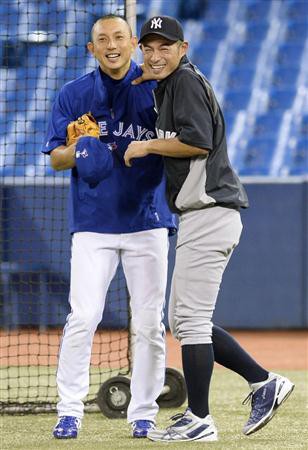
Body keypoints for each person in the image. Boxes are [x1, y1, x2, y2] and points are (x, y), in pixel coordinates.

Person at [124, 15, 295, 442]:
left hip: (210, 211)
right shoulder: (173, 82)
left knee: (192, 322)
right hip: (204, 215)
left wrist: (145, 144)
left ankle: (199, 418)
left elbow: (197, 140)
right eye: (149, 47)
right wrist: (147, 78)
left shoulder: (183, 82)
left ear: (184, 49)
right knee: (181, 323)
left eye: (166, 46)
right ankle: (263, 381)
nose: (156, 54)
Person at [42, 14, 177, 439]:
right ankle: (69, 411)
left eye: (120, 37)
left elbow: (183, 141)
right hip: (93, 224)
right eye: (103, 39)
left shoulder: (158, 89)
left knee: (149, 322)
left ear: (133, 41)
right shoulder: (74, 93)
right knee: (83, 316)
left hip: (147, 220)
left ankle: (144, 411)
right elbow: (55, 157)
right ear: (92, 48)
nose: (112, 45)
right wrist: (81, 148)